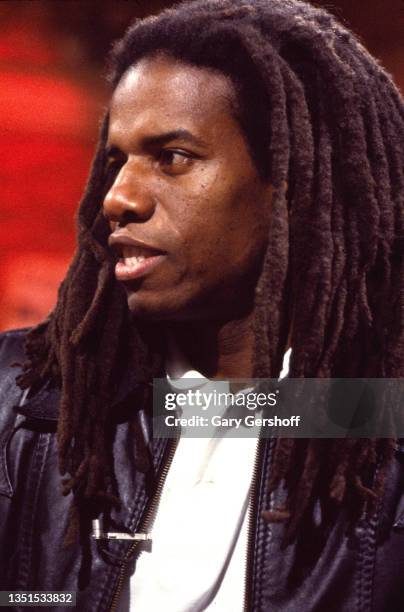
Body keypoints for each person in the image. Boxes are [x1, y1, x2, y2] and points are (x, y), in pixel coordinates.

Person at [0, 0, 403, 610]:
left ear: (292, 186)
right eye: (115, 161)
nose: (118, 198)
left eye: (173, 158)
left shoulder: (381, 419)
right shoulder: (18, 399)